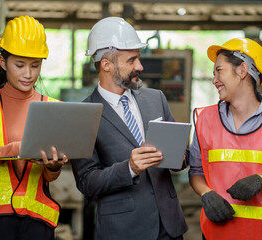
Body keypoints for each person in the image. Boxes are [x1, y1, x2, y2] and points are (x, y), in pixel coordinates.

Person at [70, 17, 189, 240]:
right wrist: (130, 168)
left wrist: (180, 156)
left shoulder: (156, 99)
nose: (140, 67)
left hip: (169, 227)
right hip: (124, 230)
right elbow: (86, 182)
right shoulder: (83, 113)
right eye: (131, 60)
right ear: (106, 64)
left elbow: (182, 155)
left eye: (138, 58)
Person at [0, 15, 68, 240]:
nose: (28, 74)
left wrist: (54, 167)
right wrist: (6, 151)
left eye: (35, 65)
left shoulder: (53, 108)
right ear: (3, 62)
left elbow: (48, 177)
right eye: (19, 65)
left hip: (38, 224)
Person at [189, 37, 262, 240]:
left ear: (242, 70)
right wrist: (206, 192)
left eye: (219, 70)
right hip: (215, 234)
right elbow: (196, 171)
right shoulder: (205, 119)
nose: (214, 79)